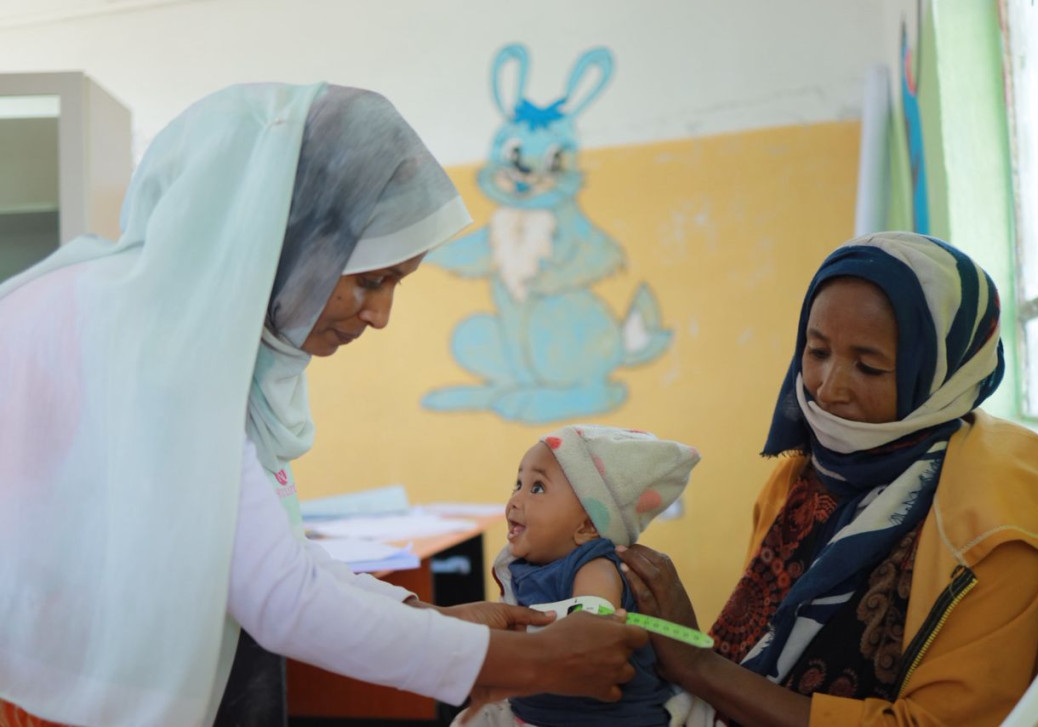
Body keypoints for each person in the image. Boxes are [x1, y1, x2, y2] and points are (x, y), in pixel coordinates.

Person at [0, 82, 648, 727]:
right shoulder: (148, 344)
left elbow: (264, 551)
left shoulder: (177, 331)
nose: (382, 314)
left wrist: (425, 617)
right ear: (287, 243)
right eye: (371, 280)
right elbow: (279, 595)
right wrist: (529, 664)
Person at [617, 231, 1038, 727]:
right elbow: (758, 653)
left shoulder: (993, 530)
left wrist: (695, 664)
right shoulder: (800, 477)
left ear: (941, 376)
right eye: (817, 352)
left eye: (868, 366)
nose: (828, 389)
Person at [456, 425, 701, 727]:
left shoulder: (593, 565)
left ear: (586, 526)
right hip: (536, 715)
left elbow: (594, 629)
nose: (515, 500)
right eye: (517, 484)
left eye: (537, 488)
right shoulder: (526, 565)